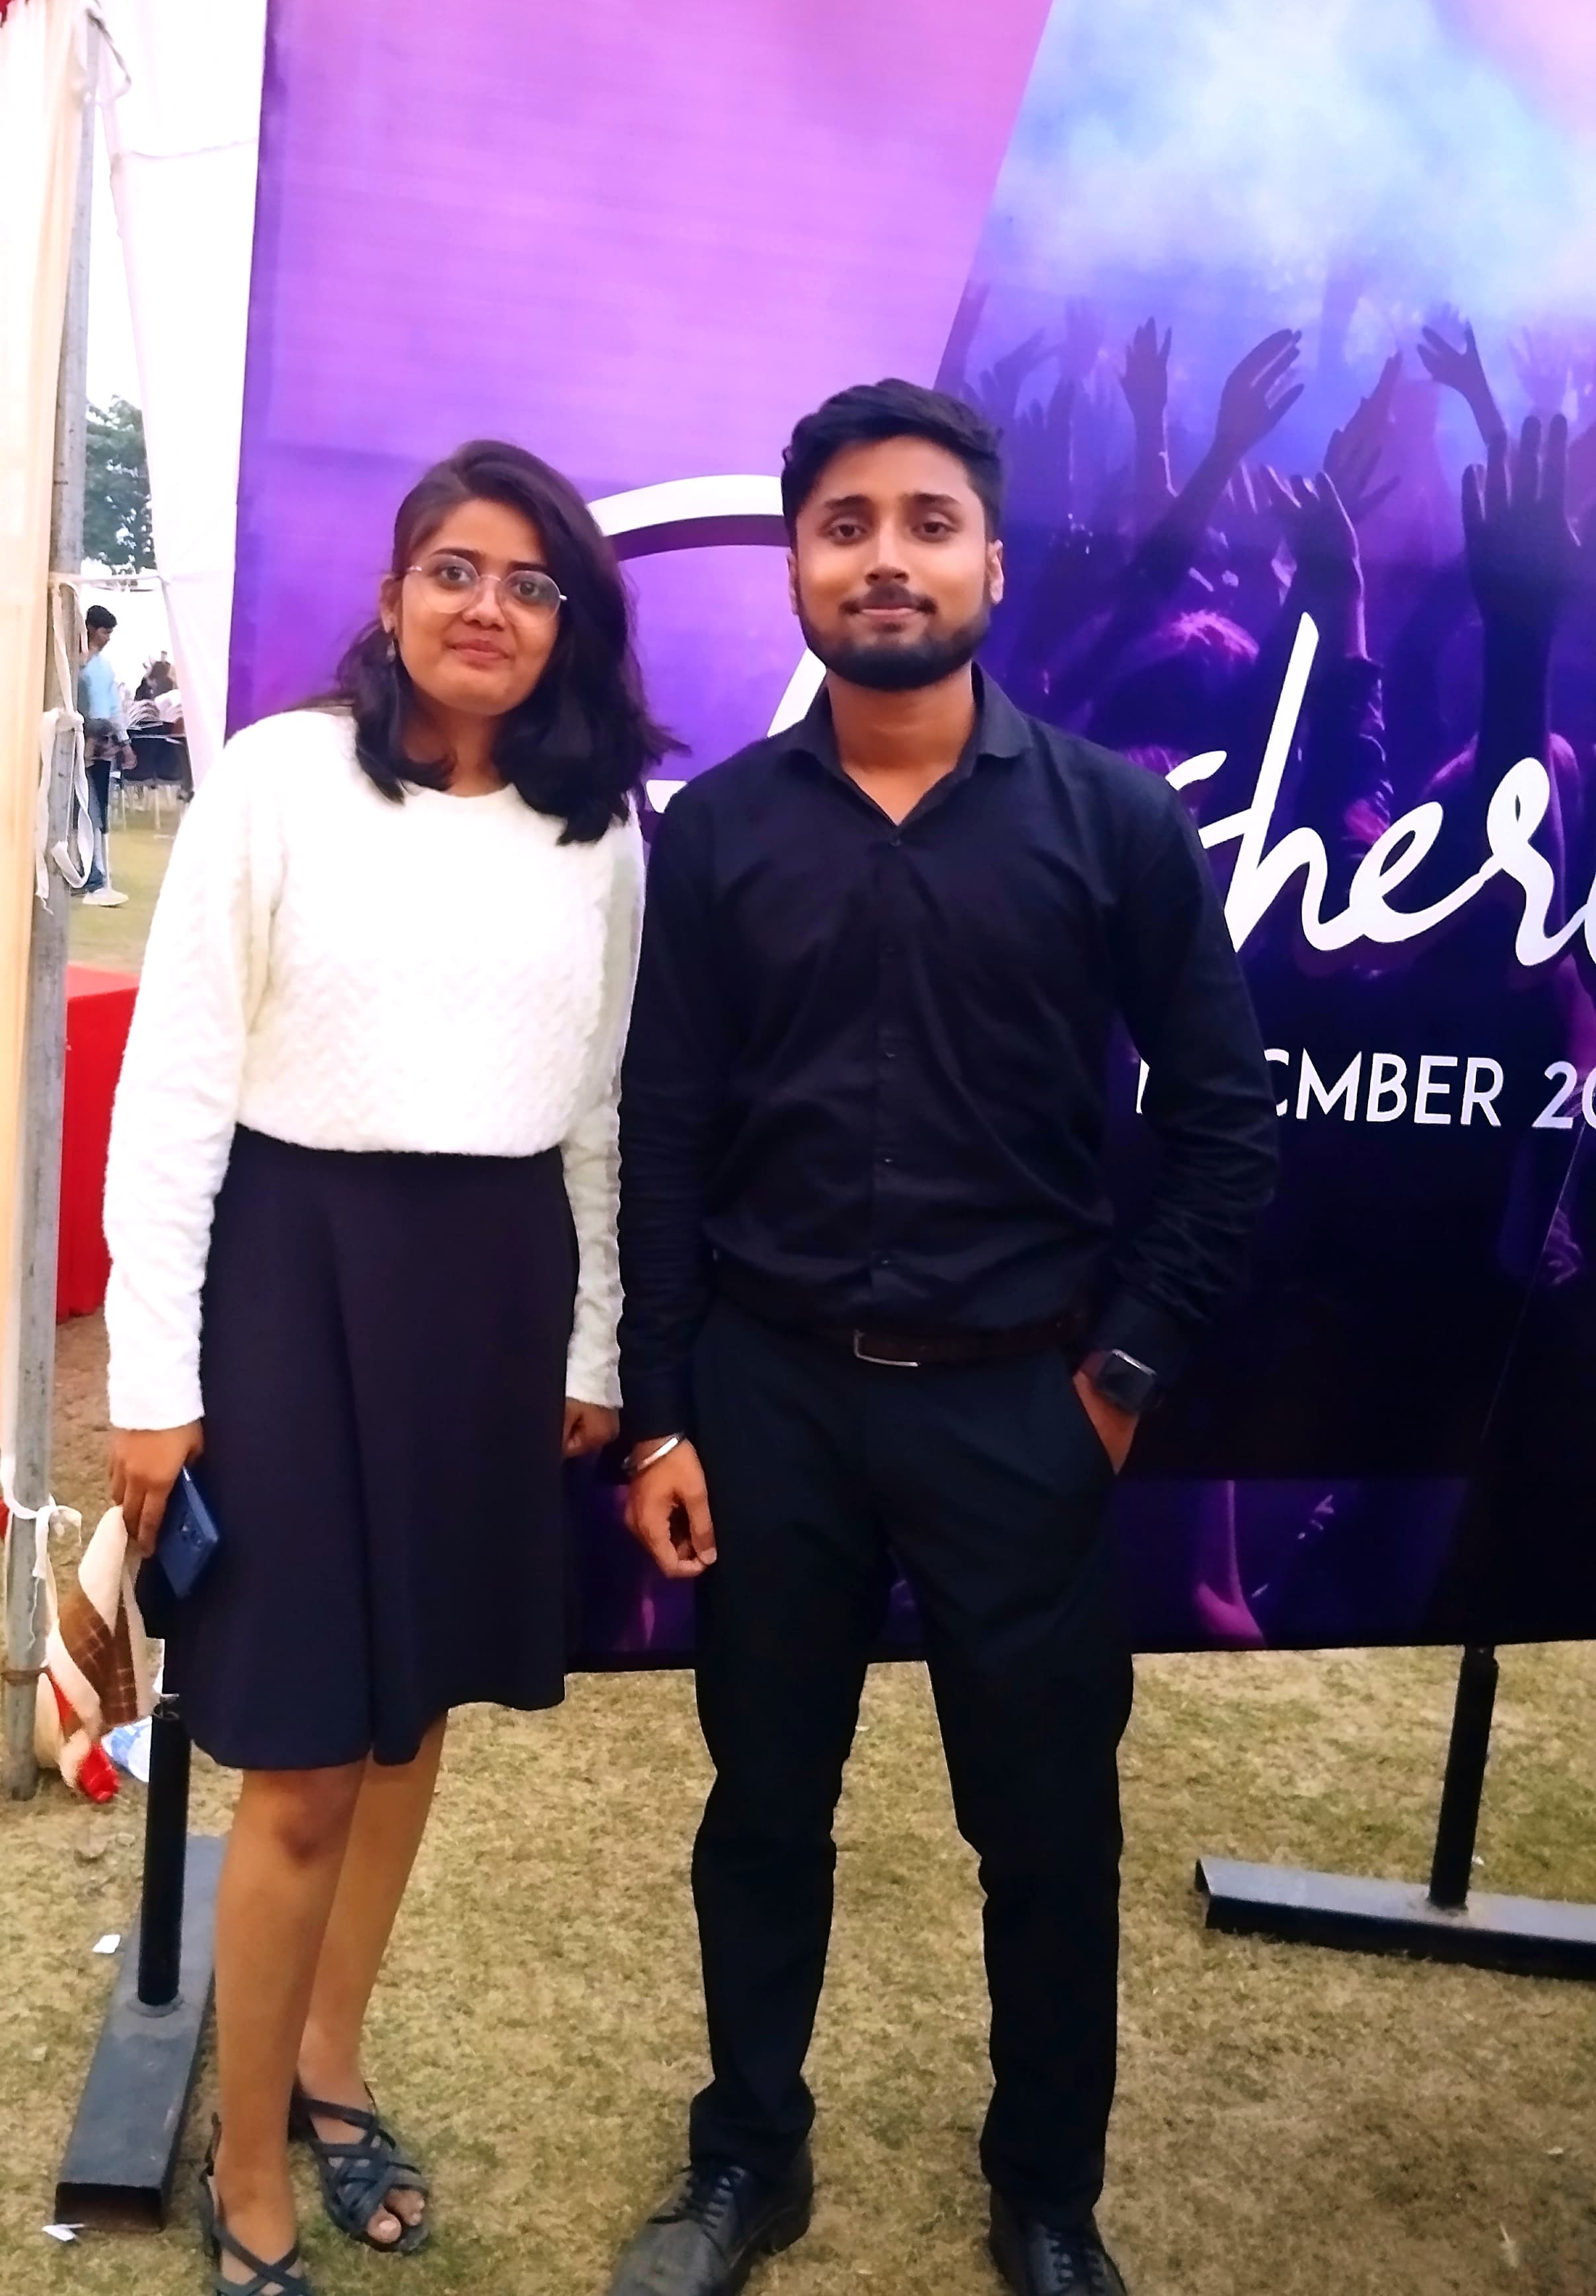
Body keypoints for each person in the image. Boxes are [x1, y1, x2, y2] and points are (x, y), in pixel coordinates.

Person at [604, 381, 1278, 2296]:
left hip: (1023, 1409)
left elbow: (1223, 1122)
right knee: (763, 1806)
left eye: (922, 521)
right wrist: (660, 1415)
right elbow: (664, 1131)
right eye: (843, 525)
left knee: (1047, 1833)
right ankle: (747, 2157)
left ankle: (1046, 2192)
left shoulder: (1112, 823)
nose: (882, 558)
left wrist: (1118, 1380)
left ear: (989, 557)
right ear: (797, 565)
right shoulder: (720, 834)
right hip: (771, 1401)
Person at [102, 441, 667, 2296]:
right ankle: (248, 2155)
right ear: (392, 592)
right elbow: (175, 1089)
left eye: (526, 581)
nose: (486, 607)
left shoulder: (599, 835)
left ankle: (330, 2065)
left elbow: (599, 1116)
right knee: (299, 1763)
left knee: (410, 1717)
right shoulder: (278, 780)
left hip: (492, 1300)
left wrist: (592, 1342)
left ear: (565, 622)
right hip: (290, 1284)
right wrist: (152, 1379)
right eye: (453, 569)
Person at [79, 604, 135, 907]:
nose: (108, 638)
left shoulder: (105, 666)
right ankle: (91, 875)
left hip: (103, 742)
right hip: (81, 740)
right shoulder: (78, 664)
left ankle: (98, 873)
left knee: (98, 807)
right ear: (90, 629)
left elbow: (115, 707)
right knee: (85, 808)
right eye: (104, 632)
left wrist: (125, 742)